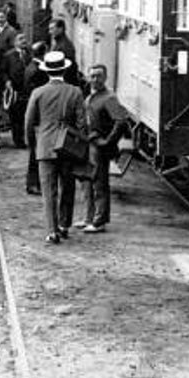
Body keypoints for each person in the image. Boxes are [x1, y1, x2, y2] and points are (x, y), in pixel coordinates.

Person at [24, 51, 87, 244]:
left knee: (48, 190)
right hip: (67, 147)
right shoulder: (75, 92)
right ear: (65, 69)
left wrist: (32, 144)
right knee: (67, 187)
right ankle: (64, 225)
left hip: (44, 146)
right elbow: (83, 124)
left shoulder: (38, 93)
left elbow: (28, 122)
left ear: (47, 72)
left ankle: (51, 231)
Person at [80, 64, 129, 233]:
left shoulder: (109, 98)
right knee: (88, 181)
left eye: (99, 76)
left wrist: (108, 142)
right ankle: (89, 217)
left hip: (99, 147)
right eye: (92, 76)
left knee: (100, 183)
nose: (95, 79)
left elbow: (121, 121)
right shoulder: (92, 96)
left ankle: (99, 221)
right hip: (89, 144)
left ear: (105, 78)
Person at [22, 42, 49, 195]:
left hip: (33, 116)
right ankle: (33, 183)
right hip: (38, 118)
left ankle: (33, 183)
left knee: (35, 153)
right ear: (43, 53)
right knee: (36, 153)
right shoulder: (38, 72)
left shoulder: (30, 67)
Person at [2, 32, 30, 150]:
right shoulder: (8, 56)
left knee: (25, 115)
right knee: (15, 117)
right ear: (15, 42)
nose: (23, 41)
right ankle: (18, 140)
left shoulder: (29, 54)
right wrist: (7, 81)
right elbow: (2, 72)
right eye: (20, 39)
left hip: (26, 90)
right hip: (14, 91)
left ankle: (25, 138)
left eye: (24, 38)